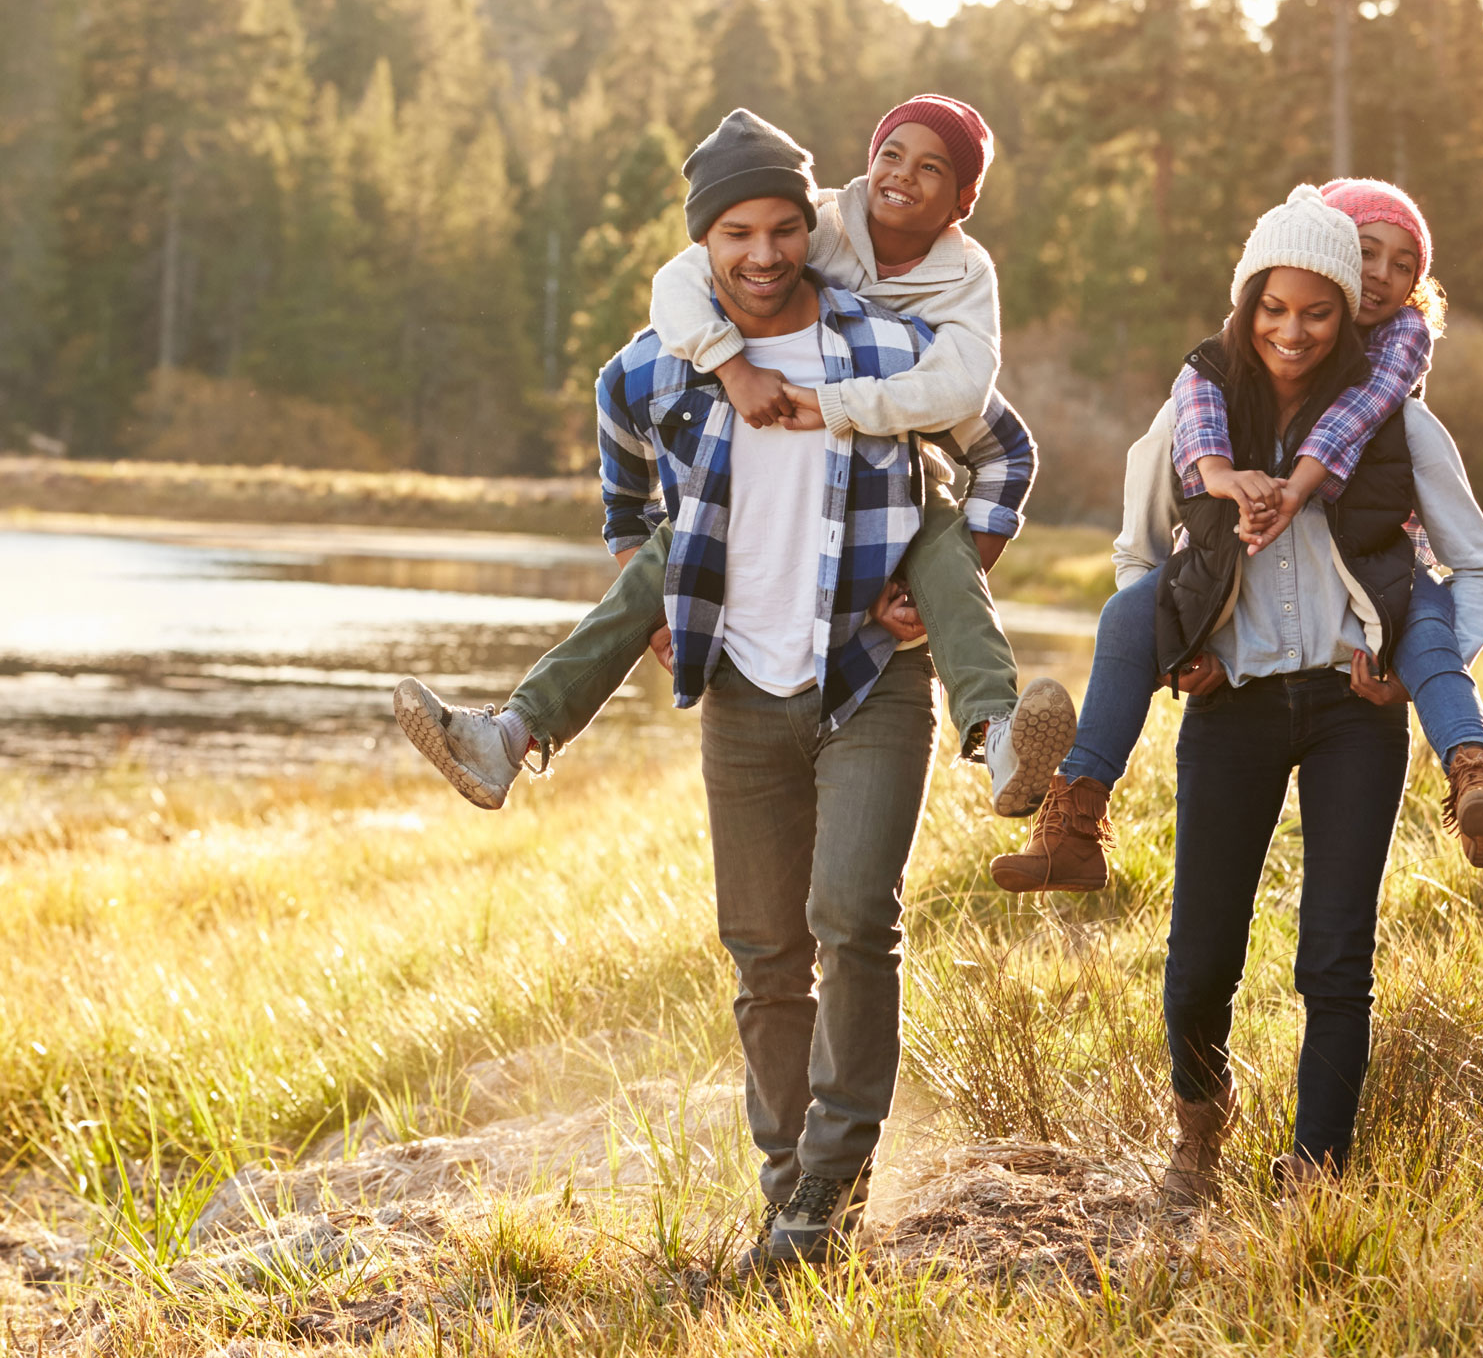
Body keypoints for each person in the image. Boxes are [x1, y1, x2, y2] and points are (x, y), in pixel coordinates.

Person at [402, 113, 1038, 1270]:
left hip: (868, 676)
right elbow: (619, 455)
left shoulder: (886, 348)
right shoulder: (661, 358)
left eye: (784, 228)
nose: (761, 253)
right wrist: (655, 585)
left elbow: (1004, 443)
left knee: (853, 919)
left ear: (813, 231)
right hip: (743, 684)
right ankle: (790, 1191)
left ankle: (833, 1185)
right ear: (703, 245)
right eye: (735, 232)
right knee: (761, 952)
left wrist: (963, 560)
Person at [1015, 187, 1483, 1199]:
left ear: (1345, 316)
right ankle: (1199, 1130)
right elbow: (1135, 557)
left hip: (1349, 714)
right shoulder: (1194, 414)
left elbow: (1478, 569)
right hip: (1230, 707)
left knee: (1335, 956)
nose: (1294, 330)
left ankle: (1318, 1165)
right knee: (1200, 955)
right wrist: (1180, 647)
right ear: (1250, 304)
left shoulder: (1400, 425)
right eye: (1276, 309)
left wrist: (1410, 666)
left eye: (1320, 311)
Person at [392, 99, 1073, 822]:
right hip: (750, 486)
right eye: (892, 154)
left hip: (899, 482)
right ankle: (510, 735)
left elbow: (973, 397)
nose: (901, 176)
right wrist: (729, 366)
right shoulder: (816, 223)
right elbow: (680, 284)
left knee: (942, 549)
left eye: (931, 167)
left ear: (963, 201)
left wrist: (935, 577)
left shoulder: (961, 282)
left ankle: (998, 736)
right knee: (666, 556)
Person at [992, 178, 1483, 895]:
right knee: (1125, 615)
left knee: (1425, 622)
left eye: (1404, 265)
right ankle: (1075, 815)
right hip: (1231, 647)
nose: (1383, 278)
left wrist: (1297, 488)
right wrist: (1181, 645)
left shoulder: (1393, 382)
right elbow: (1146, 530)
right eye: (1367, 255)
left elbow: (1368, 428)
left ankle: (1474, 768)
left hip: (1374, 598)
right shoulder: (1208, 381)